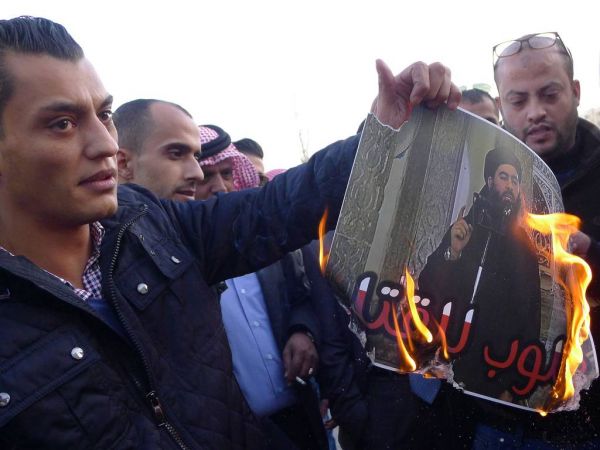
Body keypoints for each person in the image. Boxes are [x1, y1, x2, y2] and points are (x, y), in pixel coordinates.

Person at [0, 15, 459, 449]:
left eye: (105, 114)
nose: (104, 144)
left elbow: (276, 209)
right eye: (62, 124)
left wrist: (384, 138)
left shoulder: (145, 225)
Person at [482, 31, 600, 448]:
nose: (536, 112)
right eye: (518, 101)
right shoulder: (477, 181)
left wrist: (589, 257)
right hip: (501, 419)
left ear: (575, 91)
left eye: (549, 95)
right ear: (501, 106)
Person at [196, 124, 328, 450]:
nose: (220, 187)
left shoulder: (261, 244)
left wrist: (302, 331)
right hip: (237, 434)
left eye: (227, 174)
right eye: (205, 176)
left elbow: (302, 295)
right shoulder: (180, 260)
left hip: (301, 413)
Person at [419, 148, 541, 400]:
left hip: (490, 376)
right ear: (489, 181)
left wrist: (512, 385)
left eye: (515, 180)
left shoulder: (524, 250)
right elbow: (427, 285)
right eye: (504, 177)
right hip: (441, 365)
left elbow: (530, 320)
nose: (510, 186)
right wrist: (453, 252)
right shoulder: (464, 227)